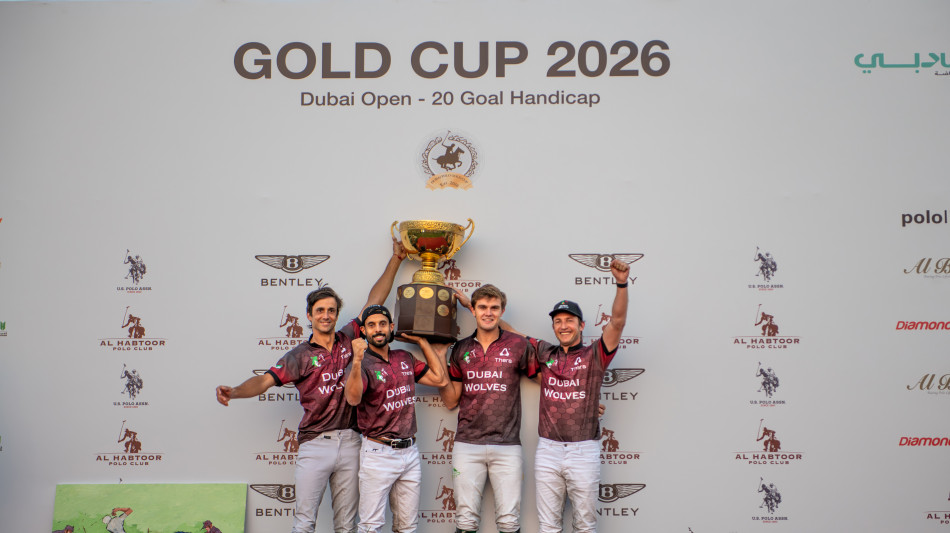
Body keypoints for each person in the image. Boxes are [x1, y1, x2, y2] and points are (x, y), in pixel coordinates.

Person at [215, 239, 406, 533]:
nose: (326, 315)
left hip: (352, 442)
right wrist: (236, 392)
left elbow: (374, 300)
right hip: (315, 444)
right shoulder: (299, 356)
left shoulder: (348, 337)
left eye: (331, 310)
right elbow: (265, 380)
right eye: (320, 310)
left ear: (337, 314)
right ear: (309, 315)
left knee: (346, 525)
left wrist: (396, 259)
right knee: (304, 523)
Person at [526, 259, 630, 533]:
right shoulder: (545, 352)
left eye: (569, 320)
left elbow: (617, 322)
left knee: (585, 525)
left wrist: (621, 284)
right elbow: (510, 335)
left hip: (584, 449)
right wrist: (478, 310)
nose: (563, 326)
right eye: (558, 321)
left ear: (581, 325)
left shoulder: (595, 354)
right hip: (547, 449)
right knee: (548, 526)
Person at [344, 304, 449, 533]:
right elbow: (353, 398)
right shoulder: (361, 363)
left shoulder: (404, 357)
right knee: (370, 526)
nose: (378, 329)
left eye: (382, 324)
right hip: (378, 452)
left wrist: (422, 342)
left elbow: (440, 379)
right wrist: (357, 361)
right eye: (371, 325)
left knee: (407, 526)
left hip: (409, 452)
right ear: (364, 331)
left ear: (391, 327)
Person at [438, 284, 534, 533]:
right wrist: (437, 359)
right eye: (482, 307)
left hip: (507, 445)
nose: (488, 313)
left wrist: (583, 399)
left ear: (502, 311)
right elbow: (451, 400)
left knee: (509, 522)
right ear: (473, 310)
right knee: (465, 521)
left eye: (494, 308)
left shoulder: (517, 344)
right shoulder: (460, 349)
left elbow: (545, 376)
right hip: (467, 445)